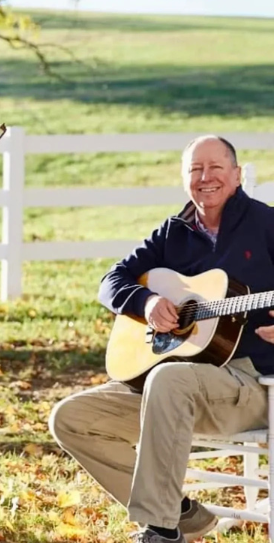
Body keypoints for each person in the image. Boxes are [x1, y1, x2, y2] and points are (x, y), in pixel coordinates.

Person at [49, 135, 274, 543]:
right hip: (172, 386)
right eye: (195, 170)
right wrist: (146, 301)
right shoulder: (174, 231)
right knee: (70, 418)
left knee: (169, 380)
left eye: (216, 168)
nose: (205, 178)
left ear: (237, 175)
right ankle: (185, 515)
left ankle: (161, 530)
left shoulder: (267, 224)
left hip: (253, 385)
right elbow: (111, 282)